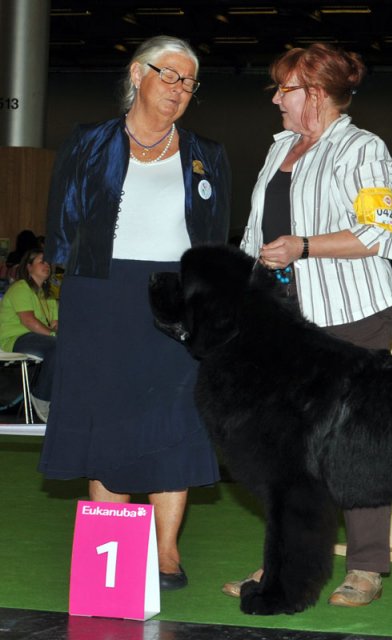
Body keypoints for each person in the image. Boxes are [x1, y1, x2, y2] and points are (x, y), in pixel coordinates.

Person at [37, 35, 231, 591]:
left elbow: (214, 237)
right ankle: (113, 550)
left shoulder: (207, 153)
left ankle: (166, 551)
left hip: (176, 299)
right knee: (106, 419)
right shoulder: (87, 142)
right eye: (169, 76)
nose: (178, 90)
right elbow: (63, 220)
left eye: (189, 82)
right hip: (100, 294)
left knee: (175, 420)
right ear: (136, 74)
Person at [227, 43, 392, 608]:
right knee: (287, 448)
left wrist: (303, 247)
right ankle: (287, 560)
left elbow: (379, 234)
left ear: (317, 94)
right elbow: (256, 234)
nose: (276, 98)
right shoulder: (279, 147)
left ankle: (368, 566)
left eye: (286, 89)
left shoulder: (362, 149)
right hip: (284, 322)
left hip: (350, 315)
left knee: (355, 443)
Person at [0, 249, 58, 421]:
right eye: (42, 262)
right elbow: (29, 321)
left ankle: (61, 399)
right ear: (29, 267)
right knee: (57, 346)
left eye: (48, 262)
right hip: (15, 338)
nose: (46, 265)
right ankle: (41, 396)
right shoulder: (20, 288)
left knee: (70, 347)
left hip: (38, 339)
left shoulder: (47, 295)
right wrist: (55, 335)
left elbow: (55, 324)